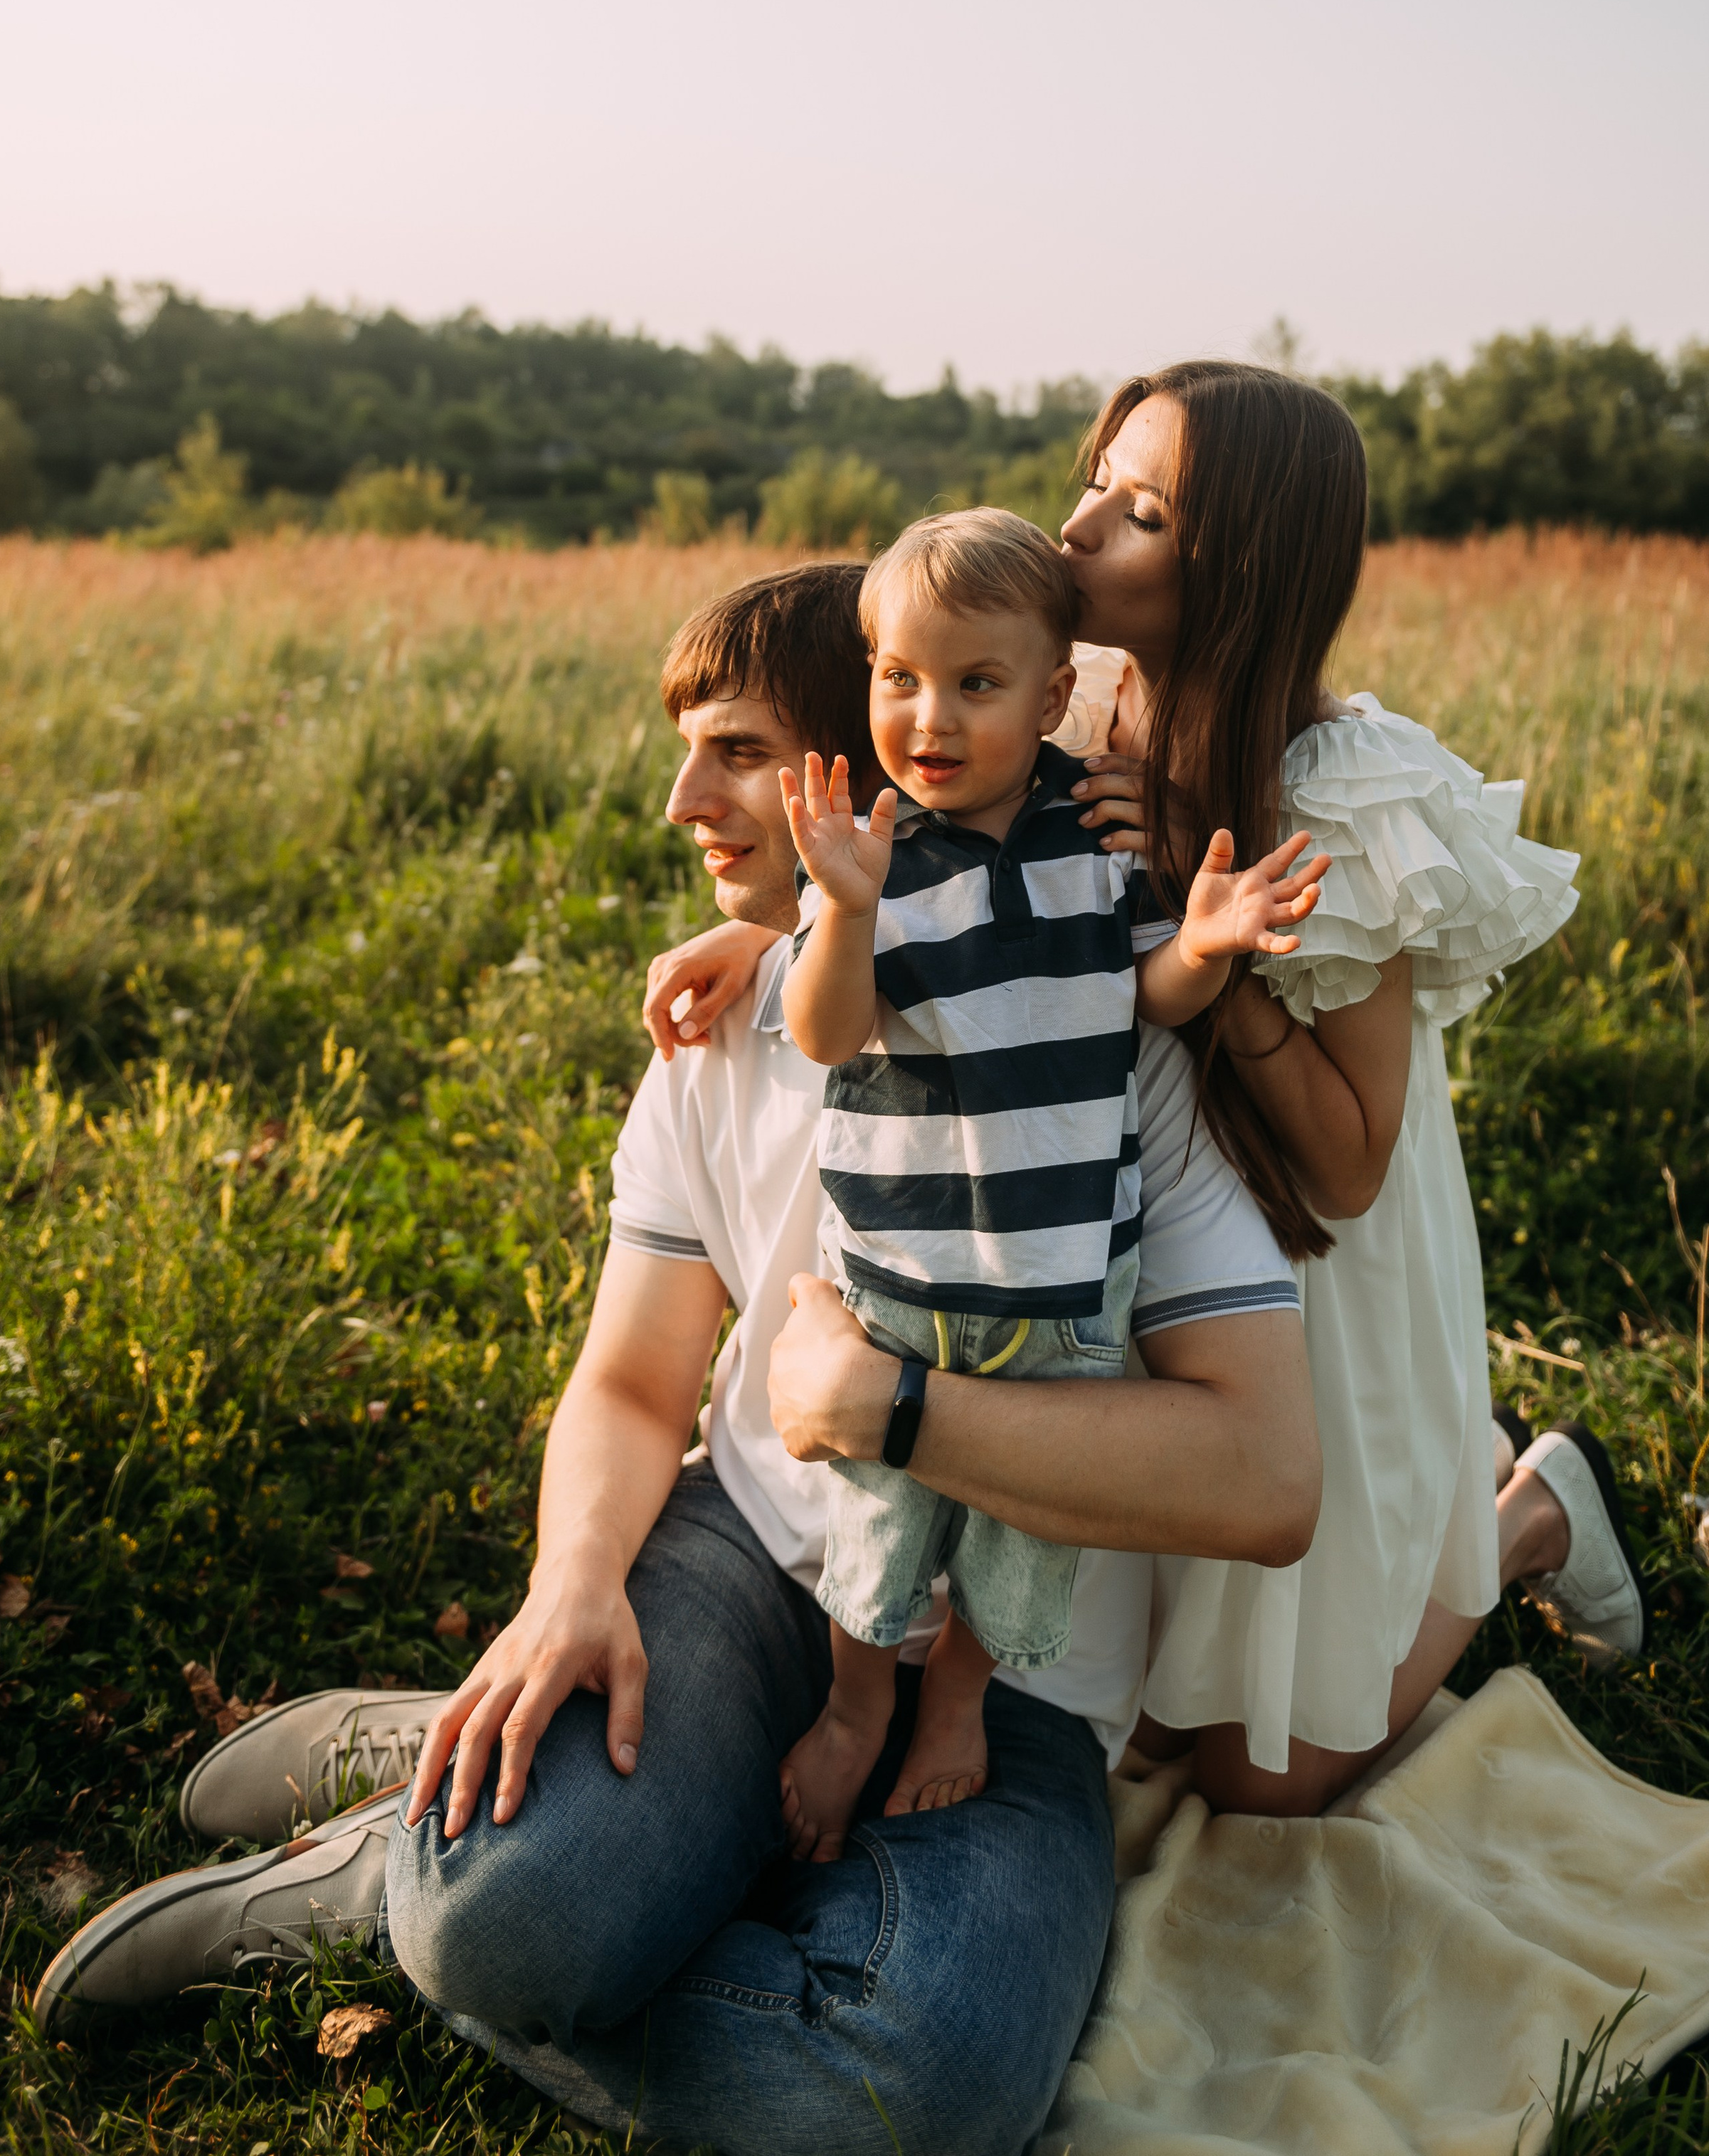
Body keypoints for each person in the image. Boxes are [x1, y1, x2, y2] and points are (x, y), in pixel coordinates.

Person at [36, 560, 1321, 2156]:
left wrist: (904, 1410)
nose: (676, 800)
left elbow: (1269, 1482)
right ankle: (414, 1865)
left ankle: (509, 1851)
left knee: (914, 2100)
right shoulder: (714, 1035)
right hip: (748, 1566)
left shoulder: (1106, 1053)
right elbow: (638, 1383)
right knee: (499, 1926)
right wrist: (574, 1586)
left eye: (730, 750)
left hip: (1012, 1690)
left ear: (840, 775)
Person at [657, 366, 1645, 1825]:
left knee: (1264, 1773)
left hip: (1317, 1269)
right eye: (1089, 480)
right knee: (1149, 1689)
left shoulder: (1346, 794)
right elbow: (968, 872)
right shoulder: (1077, 693)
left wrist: (1204, 921)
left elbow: (1348, 1169)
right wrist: (779, 930)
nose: (1072, 530)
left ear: (1233, 566)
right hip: (1120, 1221)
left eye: (1135, 512)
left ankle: (1530, 1508)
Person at [774, 509, 1327, 1861]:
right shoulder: (871, 851)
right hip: (903, 1282)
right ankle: (856, 1710)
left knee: (1024, 1533)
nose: (930, 717)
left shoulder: (1092, 834)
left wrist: (1202, 948)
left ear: (1055, 693)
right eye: (899, 678)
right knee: (876, 1530)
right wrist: (841, 910)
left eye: (976, 683)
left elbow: (1137, 997)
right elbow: (826, 1034)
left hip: (1070, 1272)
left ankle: (960, 1703)